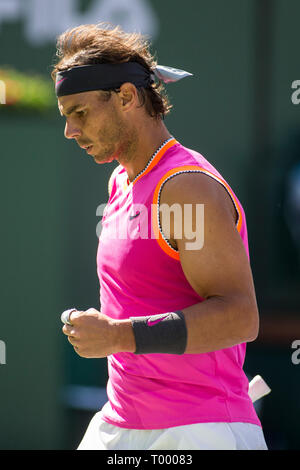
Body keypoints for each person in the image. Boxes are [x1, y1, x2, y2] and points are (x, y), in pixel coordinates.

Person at [52, 23, 268, 450]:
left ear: (128, 97)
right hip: (120, 422)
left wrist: (117, 335)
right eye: (66, 118)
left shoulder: (183, 186)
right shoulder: (122, 181)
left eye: (81, 113)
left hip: (197, 430)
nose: (70, 132)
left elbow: (240, 316)